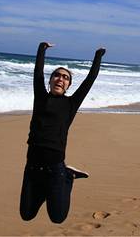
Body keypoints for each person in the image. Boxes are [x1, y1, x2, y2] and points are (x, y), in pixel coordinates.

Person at [19, 42, 106, 224]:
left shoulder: (71, 104)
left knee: (58, 218)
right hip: (32, 168)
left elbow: (89, 80)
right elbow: (37, 73)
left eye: (65, 78)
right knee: (26, 215)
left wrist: (98, 56)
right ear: (50, 81)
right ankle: (47, 189)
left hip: (55, 168)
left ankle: (68, 176)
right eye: (57, 75)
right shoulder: (41, 97)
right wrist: (42, 48)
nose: (60, 79)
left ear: (68, 85)